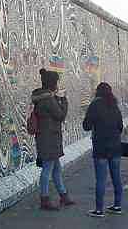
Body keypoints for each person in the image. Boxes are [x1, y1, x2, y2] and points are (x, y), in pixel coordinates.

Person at [32, 68, 75, 210]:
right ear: (52, 83)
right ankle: (45, 199)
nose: (57, 84)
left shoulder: (42, 97)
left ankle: (63, 195)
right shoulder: (48, 99)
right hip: (49, 139)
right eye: (56, 82)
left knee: (56, 168)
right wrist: (63, 99)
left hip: (47, 138)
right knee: (48, 169)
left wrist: (56, 98)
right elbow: (60, 115)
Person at [83, 82, 124, 218]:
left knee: (101, 179)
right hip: (115, 146)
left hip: (100, 147)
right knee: (116, 177)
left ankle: (99, 210)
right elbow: (120, 127)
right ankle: (117, 206)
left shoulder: (95, 105)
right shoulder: (114, 105)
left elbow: (86, 126)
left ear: (98, 92)